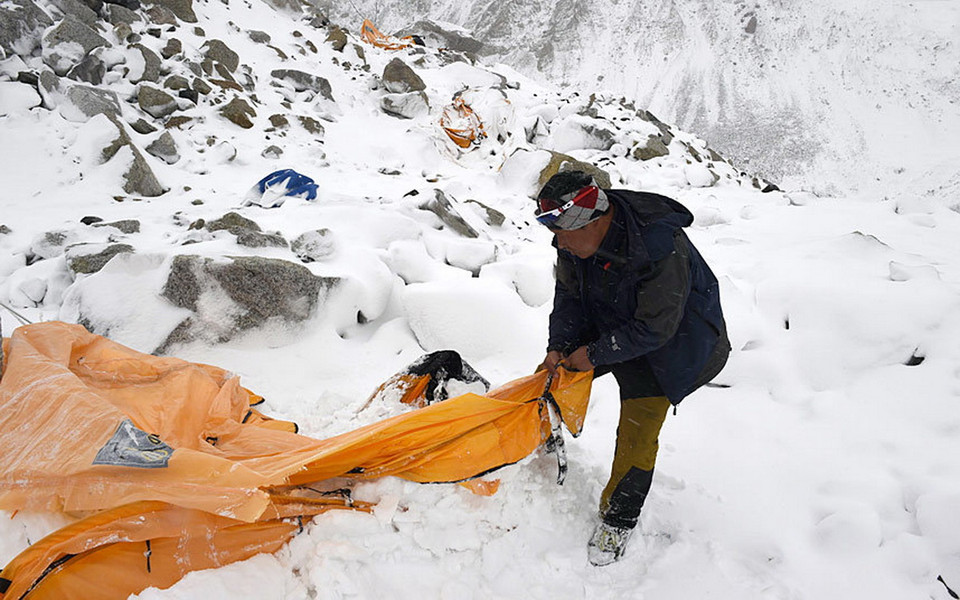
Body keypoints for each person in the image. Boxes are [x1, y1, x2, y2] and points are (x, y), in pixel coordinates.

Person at [535, 170, 730, 566]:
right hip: (614, 318)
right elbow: (569, 294)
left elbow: (656, 326)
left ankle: (618, 518)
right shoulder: (575, 241)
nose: (559, 242)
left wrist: (592, 354)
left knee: (638, 433)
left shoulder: (658, 244)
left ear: (592, 221)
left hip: (671, 344)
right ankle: (539, 450)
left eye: (564, 233)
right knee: (547, 379)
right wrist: (559, 347)